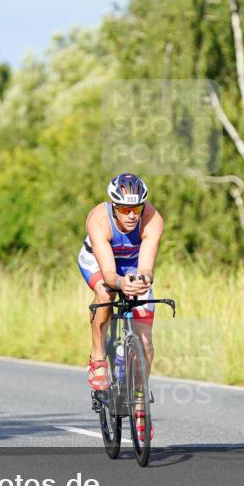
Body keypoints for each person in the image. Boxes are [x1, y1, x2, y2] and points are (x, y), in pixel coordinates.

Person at [78, 173, 164, 436]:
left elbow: (147, 268)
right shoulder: (98, 220)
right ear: (114, 206)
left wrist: (141, 281)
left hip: (133, 265)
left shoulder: (153, 220)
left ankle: (139, 398)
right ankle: (98, 357)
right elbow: (108, 274)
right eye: (125, 209)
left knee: (146, 341)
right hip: (100, 263)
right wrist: (120, 283)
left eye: (136, 208)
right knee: (106, 293)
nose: (131, 215)